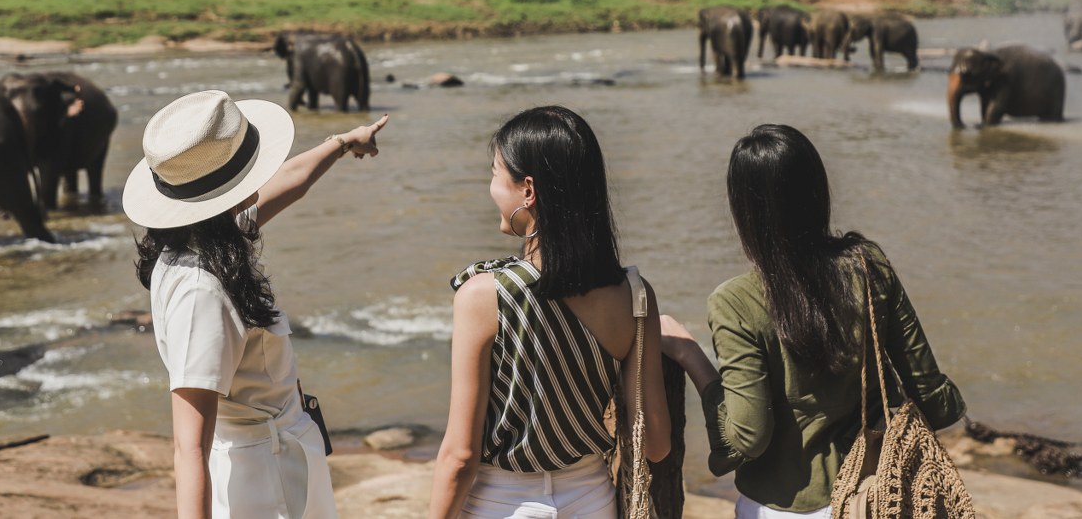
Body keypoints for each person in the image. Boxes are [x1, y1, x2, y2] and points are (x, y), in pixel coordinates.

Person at [660, 124, 965, 519]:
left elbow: (748, 437)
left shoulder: (735, 301)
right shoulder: (868, 265)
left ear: (743, 209)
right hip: (878, 499)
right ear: (818, 191)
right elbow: (933, 396)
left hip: (784, 508)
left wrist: (691, 357)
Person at [123, 89, 387, 519]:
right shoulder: (201, 292)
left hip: (275, 455)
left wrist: (341, 144)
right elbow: (189, 446)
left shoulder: (200, 239)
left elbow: (290, 183)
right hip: (264, 480)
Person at [429, 105, 672, 519]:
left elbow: (460, 457)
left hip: (499, 503)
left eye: (494, 173)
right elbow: (656, 443)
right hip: (592, 500)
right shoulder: (635, 295)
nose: (490, 187)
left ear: (528, 190)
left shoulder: (484, 296)